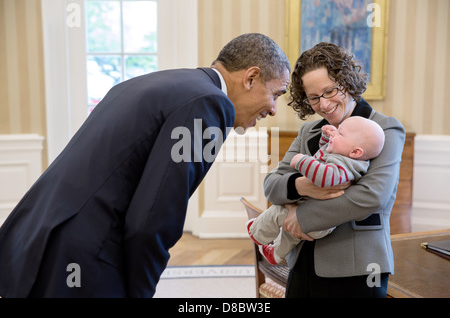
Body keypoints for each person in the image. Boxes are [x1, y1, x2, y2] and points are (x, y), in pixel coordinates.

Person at [0, 33, 290, 298]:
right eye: (276, 94)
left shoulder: (154, 82)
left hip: (36, 234)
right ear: (251, 77)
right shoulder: (210, 103)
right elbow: (154, 218)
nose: (274, 109)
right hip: (83, 254)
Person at [264, 42, 405, 298]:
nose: (324, 104)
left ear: (347, 82)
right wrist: (300, 186)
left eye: (330, 91)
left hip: (358, 267)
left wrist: (302, 216)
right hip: (302, 263)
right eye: (314, 97)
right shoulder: (309, 131)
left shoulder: (385, 129)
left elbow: (371, 196)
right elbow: (271, 184)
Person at [247, 116, 385, 265]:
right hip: (317, 222)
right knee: (290, 234)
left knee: (277, 212)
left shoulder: (345, 165)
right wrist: (327, 138)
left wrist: (301, 161)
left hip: (317, 220)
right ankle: (276, 253)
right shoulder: (345, 154)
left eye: (340, 134)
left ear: (356, 152)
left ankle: (257, 233)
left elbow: (325, 176)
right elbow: (324, 153)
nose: (334, 133)